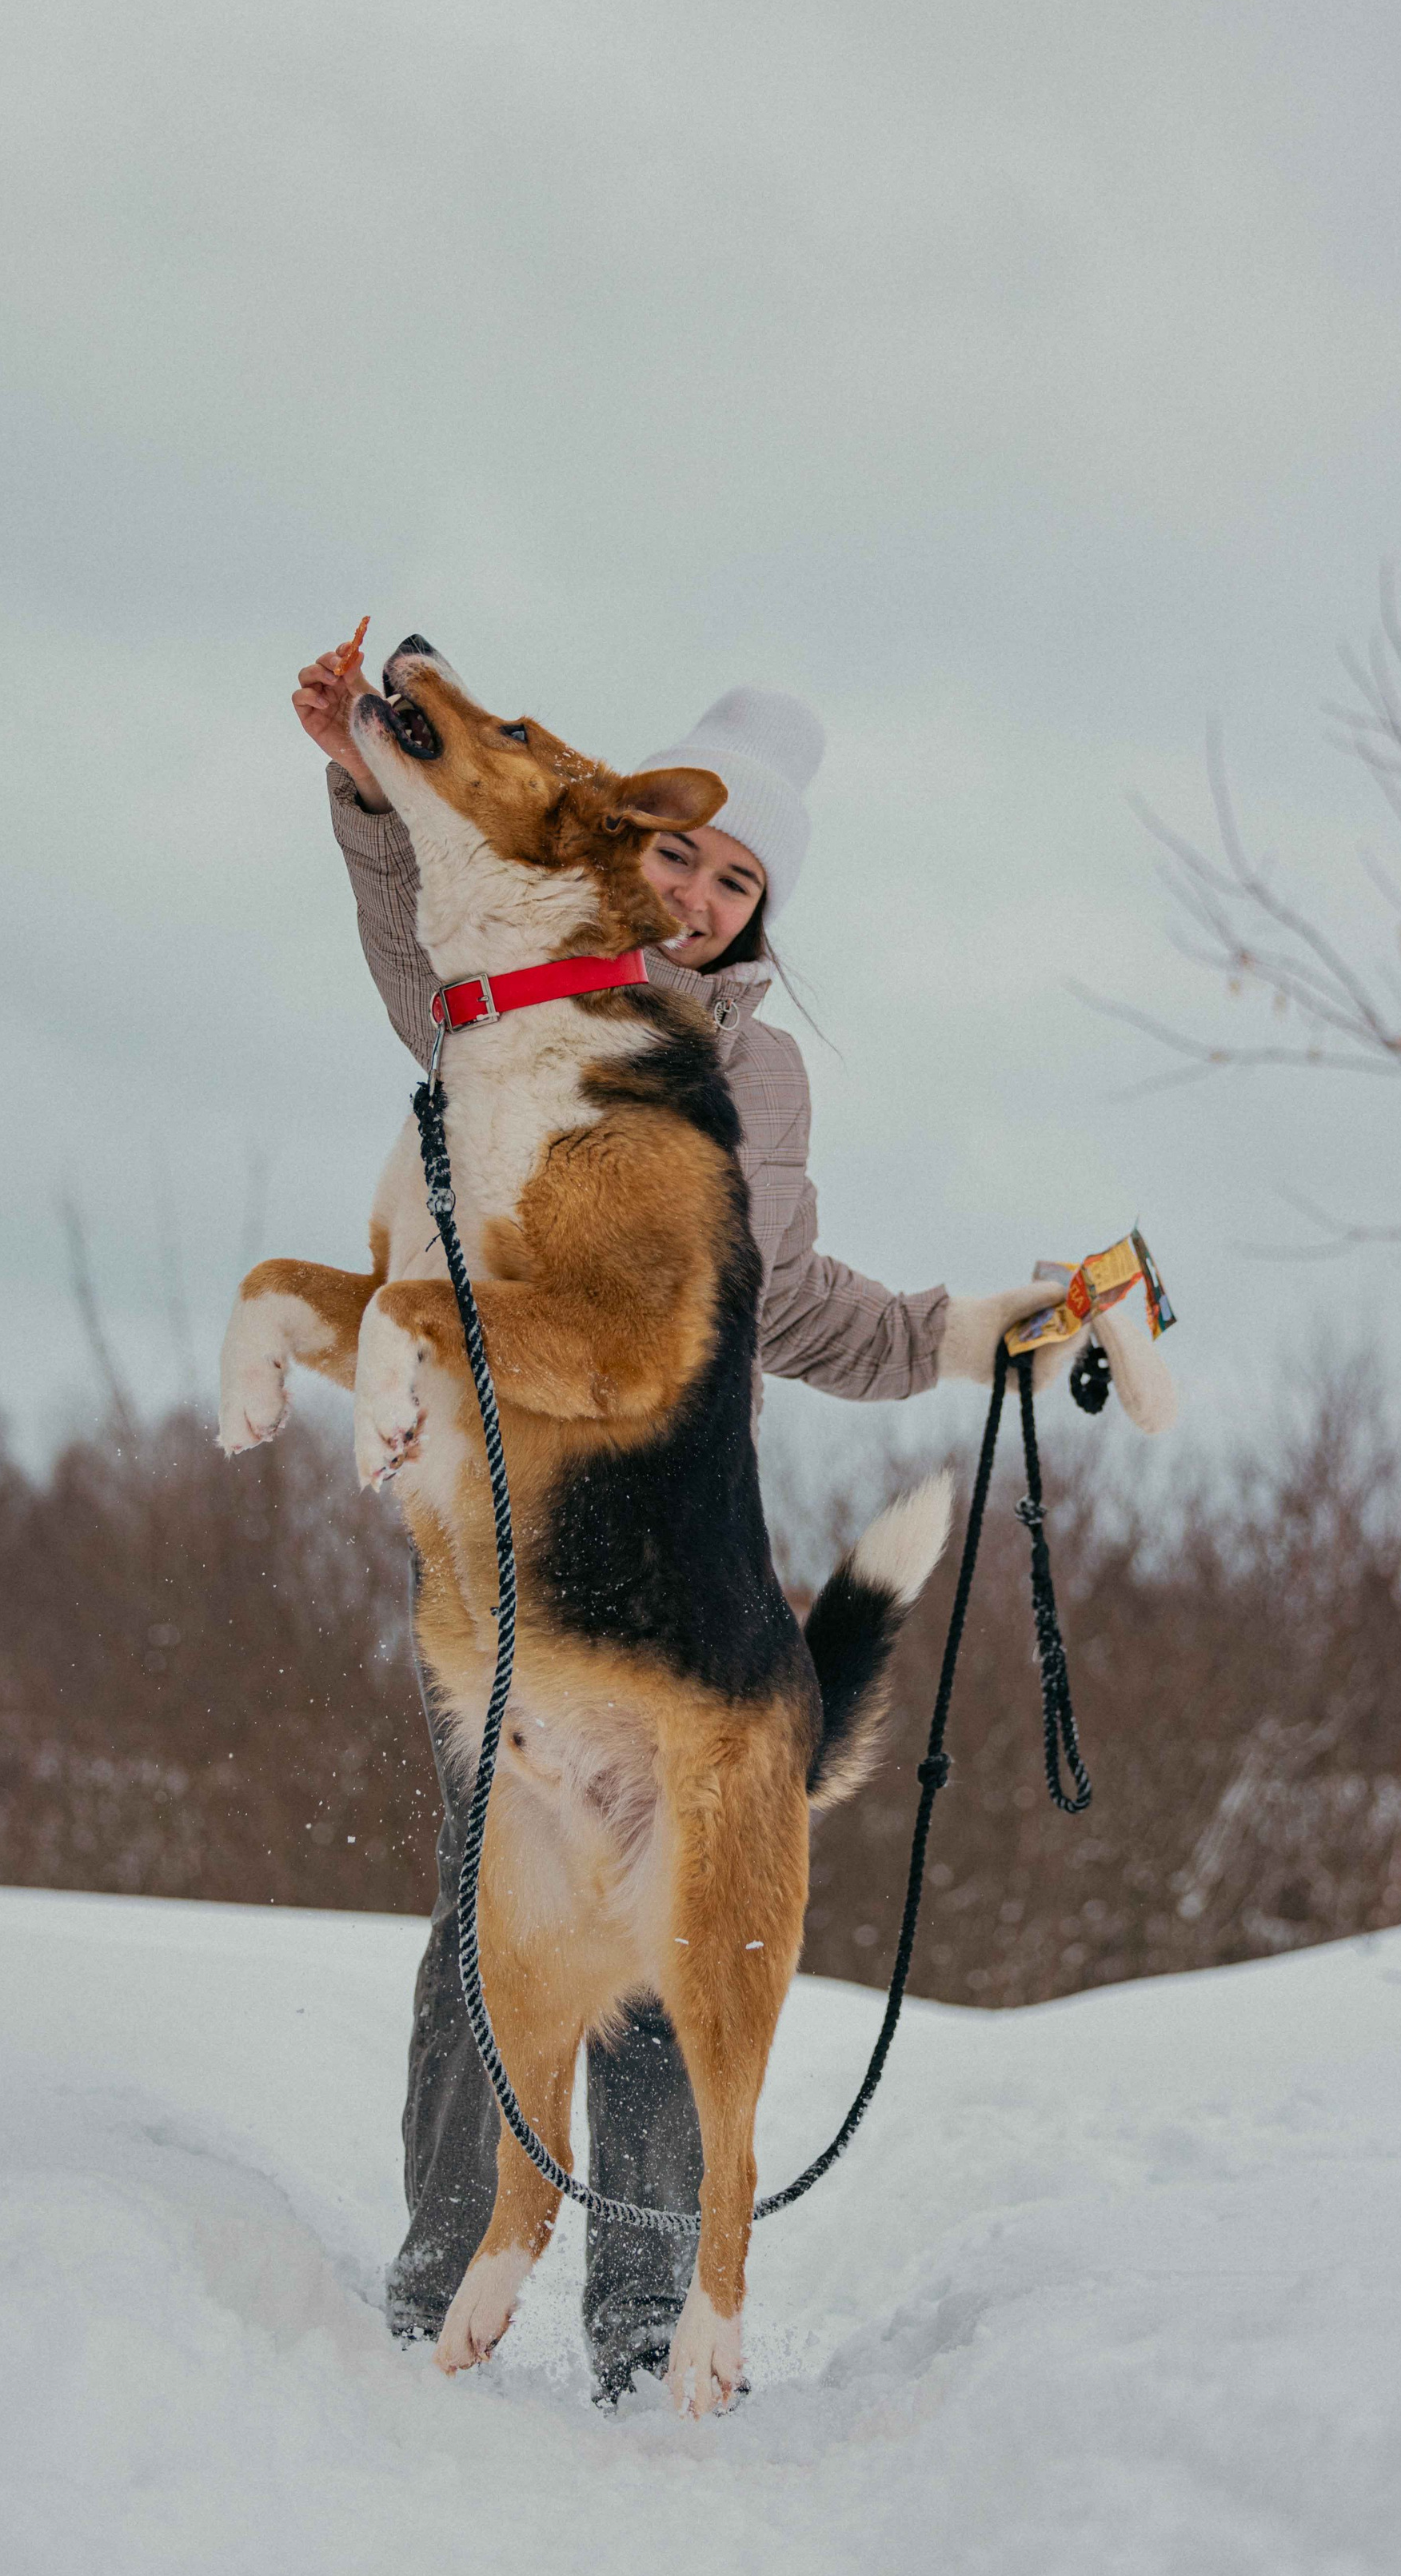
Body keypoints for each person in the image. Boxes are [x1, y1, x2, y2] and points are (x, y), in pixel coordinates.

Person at [293, 652, 1053, 2402]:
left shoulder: (760, 1081)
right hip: (496, 1531)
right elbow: (413, 942)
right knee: (484, 1923)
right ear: (624, 848)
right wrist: (361, 773)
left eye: (738, 883)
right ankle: (437, 2266)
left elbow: (782, 1299)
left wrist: (956, 1330)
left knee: (657, 1952)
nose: (701, 898)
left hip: (659, 1540)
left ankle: (639, 2316)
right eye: (687, 863)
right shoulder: (516, 981)